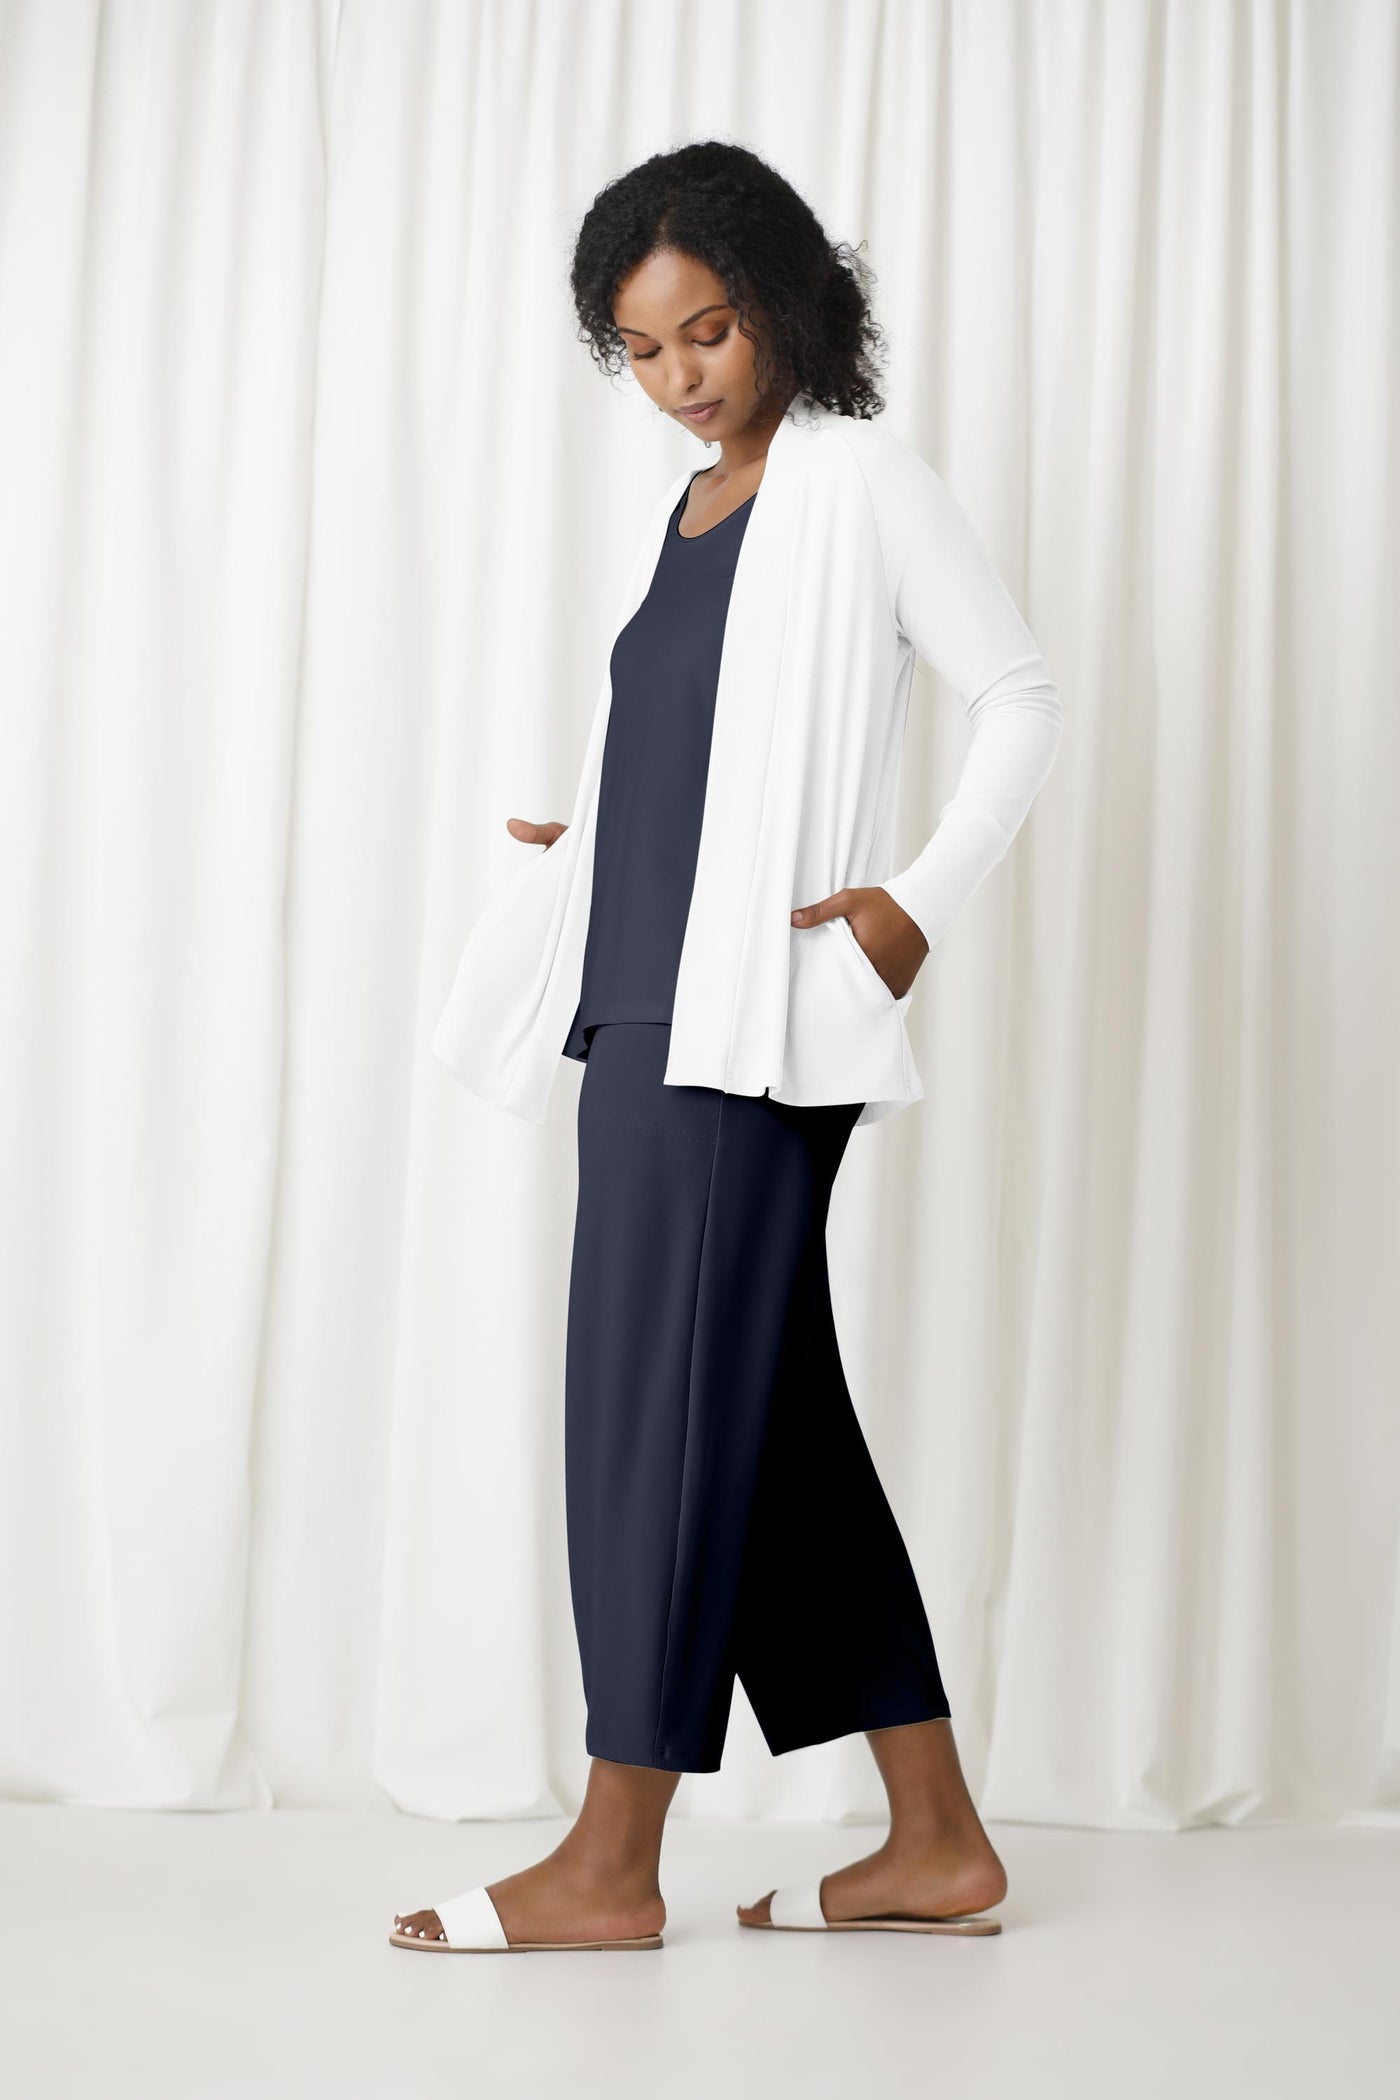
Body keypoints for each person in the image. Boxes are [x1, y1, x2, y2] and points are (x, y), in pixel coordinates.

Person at [393, 140, 1062, 1954]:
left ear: (781, 301)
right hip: (637, 998)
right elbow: (704, 745)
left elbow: (1018, 698)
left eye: (708, 329)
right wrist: (602, 836)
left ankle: (612, 1862)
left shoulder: (859, 481)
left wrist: (914, 900)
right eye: (642, 349)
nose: (682, 374)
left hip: (744, 1028)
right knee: (766, 1421)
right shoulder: (687, 511)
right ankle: (937, 1840)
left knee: (652, 1408)